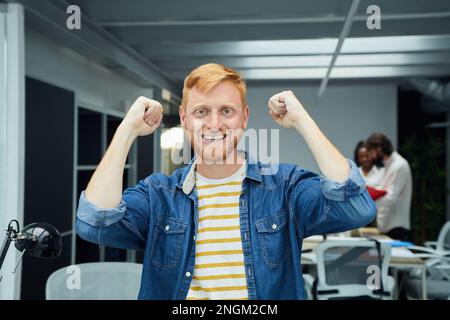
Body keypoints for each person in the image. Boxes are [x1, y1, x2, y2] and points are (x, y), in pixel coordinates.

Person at [76, 63, 376, 300]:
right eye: (201, 112)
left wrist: (302, 121)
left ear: (244, 118)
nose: (214, 124)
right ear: (183, 118)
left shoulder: (285, 187)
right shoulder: (159, 194)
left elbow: (356, 208)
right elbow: (94, 222)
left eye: (227, 111)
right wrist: (127, 129)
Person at [365, 133, 412, 241]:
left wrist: (380, 225)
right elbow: (382, 191)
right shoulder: (389, 165)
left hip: (395, 226)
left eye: (372, 152)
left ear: (379, 149)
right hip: (388, 224)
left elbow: (390, 198)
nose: (371, 156)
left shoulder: (399, 165)